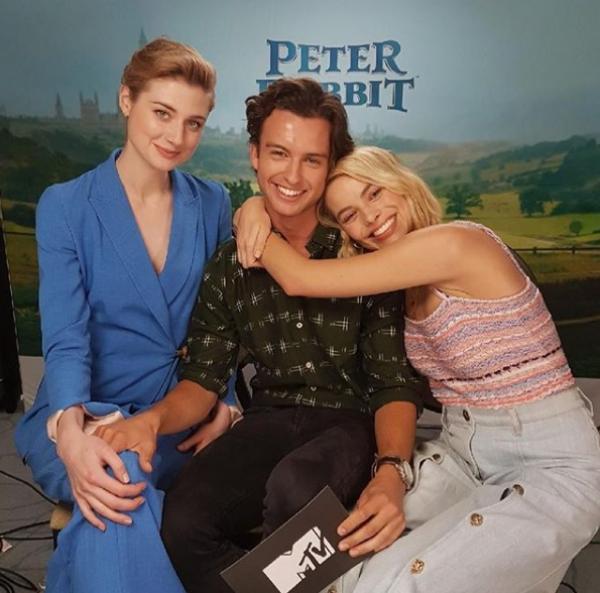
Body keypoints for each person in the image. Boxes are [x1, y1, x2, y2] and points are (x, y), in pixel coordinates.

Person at [95, 78, 430, 593]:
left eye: (312, 160)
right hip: (271, 416)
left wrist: (391, 468)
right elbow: (203, 379)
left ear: (330, 166)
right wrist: (152, 420)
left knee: (296, 487)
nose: (292, 176)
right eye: (278, 153)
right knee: (183, 521)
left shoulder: (361, 249)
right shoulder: (229, 265)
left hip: (353, 420)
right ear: (254, 154)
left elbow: (392, 383)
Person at [234, 145, 600, 593]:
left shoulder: (456, 243)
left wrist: (251, 213)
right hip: (460, 451)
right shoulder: (400, 287)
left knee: (393, 585)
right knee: (313, 567)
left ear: (402, 183)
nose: (370, 217)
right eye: (350, 215)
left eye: (374, 193)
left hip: (550, 462)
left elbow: (300, 278)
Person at [14, 38, 233, 593]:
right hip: (81, 408)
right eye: (162, 113)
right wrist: (70, 434)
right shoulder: (65, 205)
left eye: (193, 123)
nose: (176, 136)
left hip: (177, 415)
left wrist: (225, 401)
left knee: (113, 500)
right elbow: (66, 338)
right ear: (126, 100)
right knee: (120, 474)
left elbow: (223, 322)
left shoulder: (213, 203)